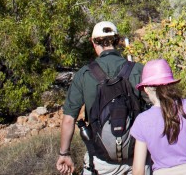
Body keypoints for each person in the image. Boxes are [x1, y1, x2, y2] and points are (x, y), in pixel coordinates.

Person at [58, 21, 146, 175]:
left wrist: (64, 153)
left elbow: (68, 119)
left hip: (101, 162)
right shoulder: (138, 69)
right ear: (118, 41)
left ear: (93, 43)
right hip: (138, 159)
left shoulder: (84, 74)